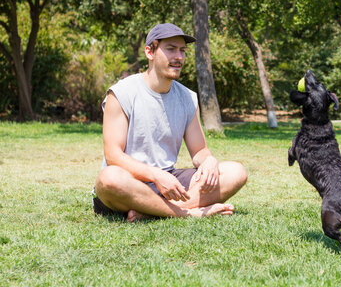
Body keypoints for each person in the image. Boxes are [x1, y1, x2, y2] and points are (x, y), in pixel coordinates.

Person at [93, 23, 247, 222]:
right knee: (108, 179)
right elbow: (113, 156)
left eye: (182, 51)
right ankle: (187, 212)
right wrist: (155, 175)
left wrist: (209, 161)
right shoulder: (122, 93)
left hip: (170, 180)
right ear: (150, 52)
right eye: (171, 49)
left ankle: (152, 211)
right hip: (129, 181)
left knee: (236, 172)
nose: (179, 57)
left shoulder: (188, 98)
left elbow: (199, 151)